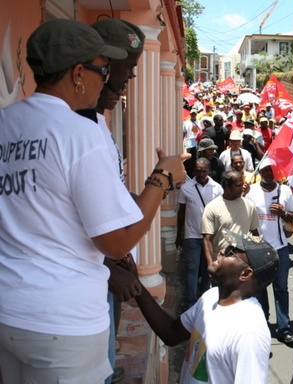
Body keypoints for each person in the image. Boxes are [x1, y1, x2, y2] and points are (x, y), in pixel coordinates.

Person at [0, 19, 188, 383]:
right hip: (61, 321)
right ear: (77, 74)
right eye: (103, 69)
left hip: (9, 307)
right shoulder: (79, 133)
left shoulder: (7, 122)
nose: (106, 79)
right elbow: (116, 240)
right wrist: (161, 178)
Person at [124, 229, 279, 384]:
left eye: (231, 252)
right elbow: (170, 333)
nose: (222, 251)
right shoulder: (210, 297)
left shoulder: (249, 333)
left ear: (245, 274)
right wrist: (135, 283)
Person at [86, 18, 147, 384]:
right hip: (91, 273)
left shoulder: (99, 123)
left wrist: (122, 256)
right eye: (121, 70)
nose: (126, 81)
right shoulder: (77, 131)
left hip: (110, 260)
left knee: (106, 356)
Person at [245, 158, 293, 344]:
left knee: (281, 289)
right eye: (265, 170)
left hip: (281, 249)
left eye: (272, 170)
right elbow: (245, 217)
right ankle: (263, 326)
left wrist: (283, 214)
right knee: (259, 289)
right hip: (258, 250)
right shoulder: (251, 192)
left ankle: (284, 328)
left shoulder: (285, 191)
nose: (269, 173)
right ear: (259, 172)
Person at [176, 158, 223, 307]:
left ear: (209, 170)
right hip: (192, 236)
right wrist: (179, 234)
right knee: (192, 269)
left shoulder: (217, 188)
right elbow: (181, 213)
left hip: (210, 237)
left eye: (204, 170)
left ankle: (204, 300)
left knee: (207, 269)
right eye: (198, 170)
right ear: (194, 171)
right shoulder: (186, 188)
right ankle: (191, 303)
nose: (201, 173)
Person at [202, 171, 260, 264]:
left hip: (245, 262)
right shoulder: (212, 207)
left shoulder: (249, 205)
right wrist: (211, 264)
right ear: (226, 186)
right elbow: (207, 239)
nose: (242, 188)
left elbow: (255, 234)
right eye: (238, 185)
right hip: (222, 263)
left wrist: (258, 254)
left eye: (242, 184)